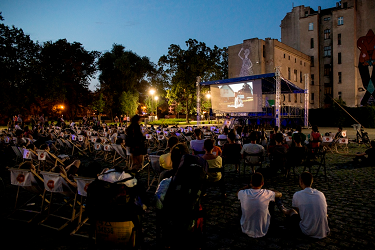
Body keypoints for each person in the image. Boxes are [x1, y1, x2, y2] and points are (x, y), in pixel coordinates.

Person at [277, 172, 330, 239]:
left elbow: (298, 213)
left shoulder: (297, 195)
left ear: (301, 181)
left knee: (292, 212)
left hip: (307, 231)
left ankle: (281, 207)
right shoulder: (321, 194)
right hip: (323, 231)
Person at [237, 172, 282, 238]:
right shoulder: (267, 193)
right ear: (262, 183)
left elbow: (238, 193)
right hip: (263, 230)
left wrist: (248, 186)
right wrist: (270, 191)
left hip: (246, 229)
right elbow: (280, 194)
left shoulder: (244, 193)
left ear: (251, 182)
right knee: (271, 201)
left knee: (241, 203)